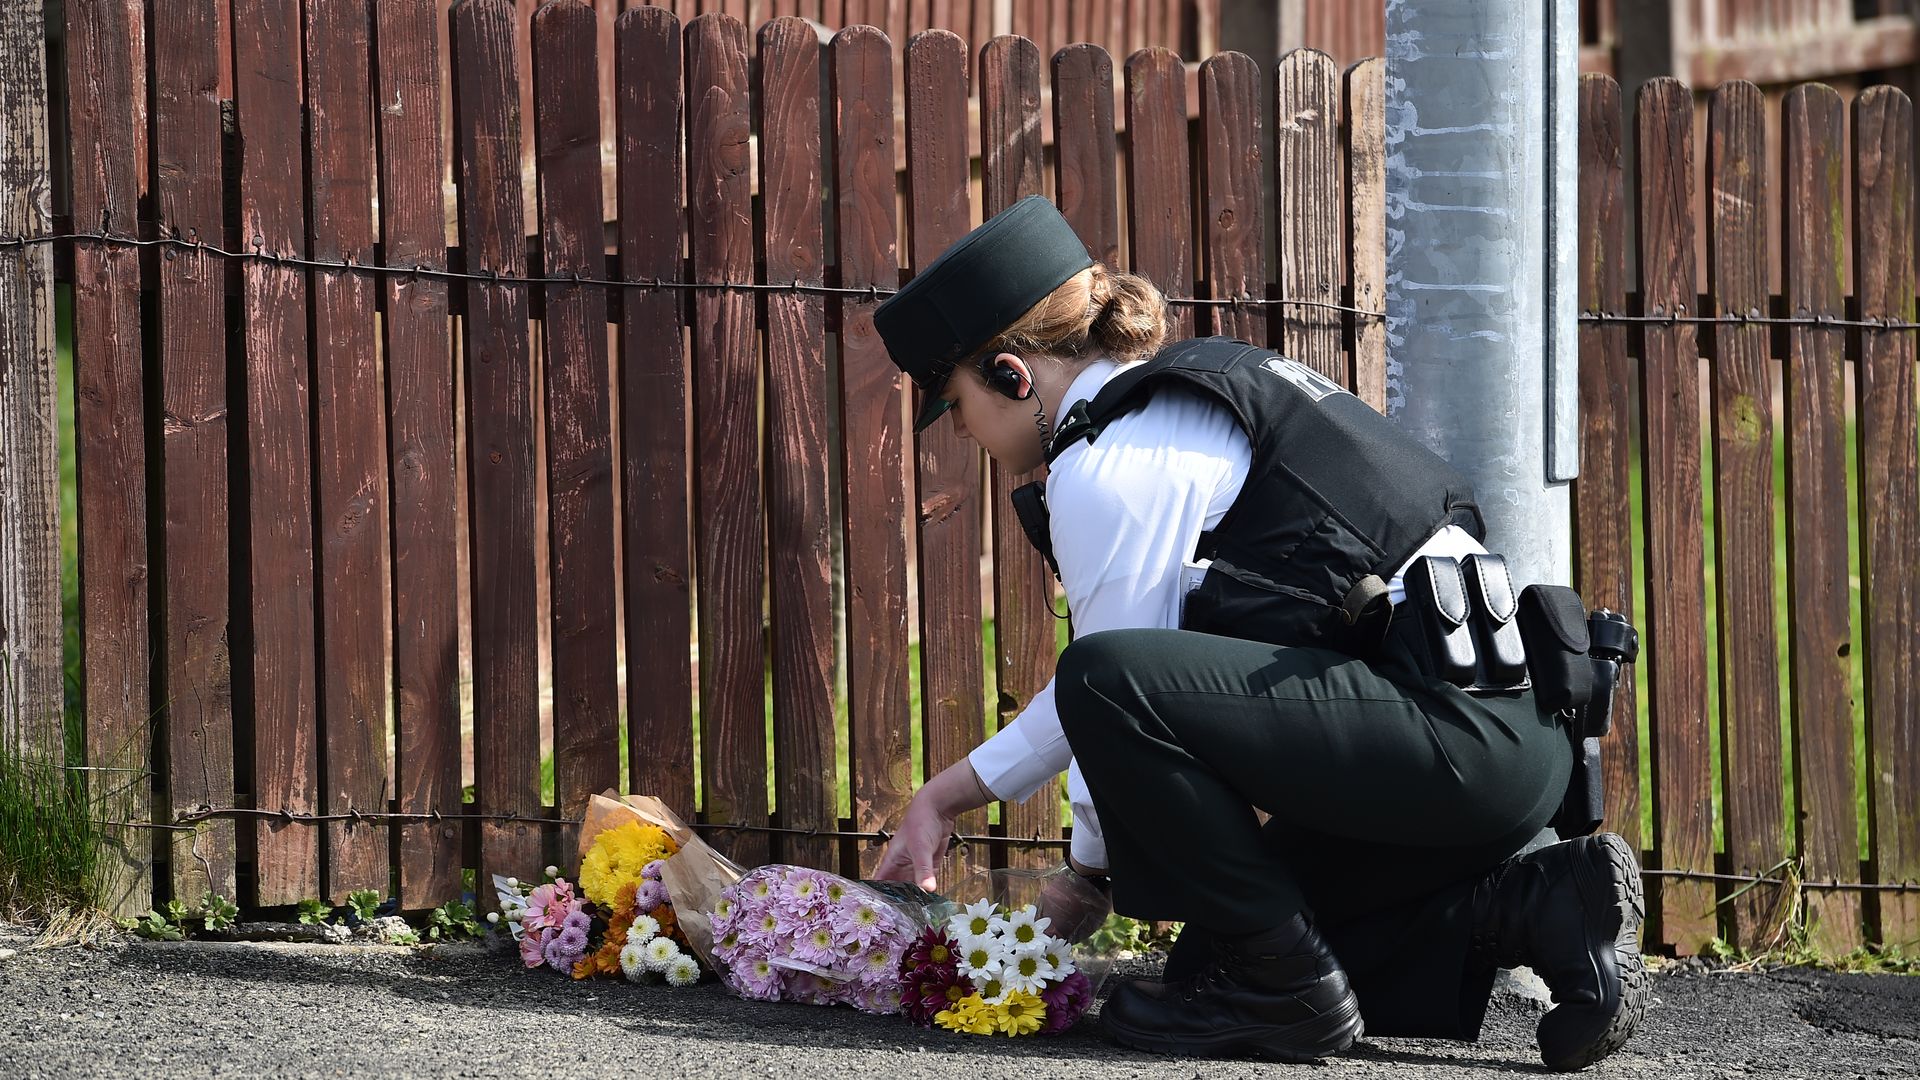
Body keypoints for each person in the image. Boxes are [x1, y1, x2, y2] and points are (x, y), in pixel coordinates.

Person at [868, 195, 1646, 1071]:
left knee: (1260, 951)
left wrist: (1085, 878)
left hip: (1452, 746)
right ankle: (1546, 907)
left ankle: (1289, 998)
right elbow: (1134, 679)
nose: (962, 431)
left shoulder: (1111, 464)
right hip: (1503, 745)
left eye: (957, 402)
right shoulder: (1197, 392)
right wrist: (944, 799)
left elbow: (1110, 687)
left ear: (1013, 375)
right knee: (1214, 966)